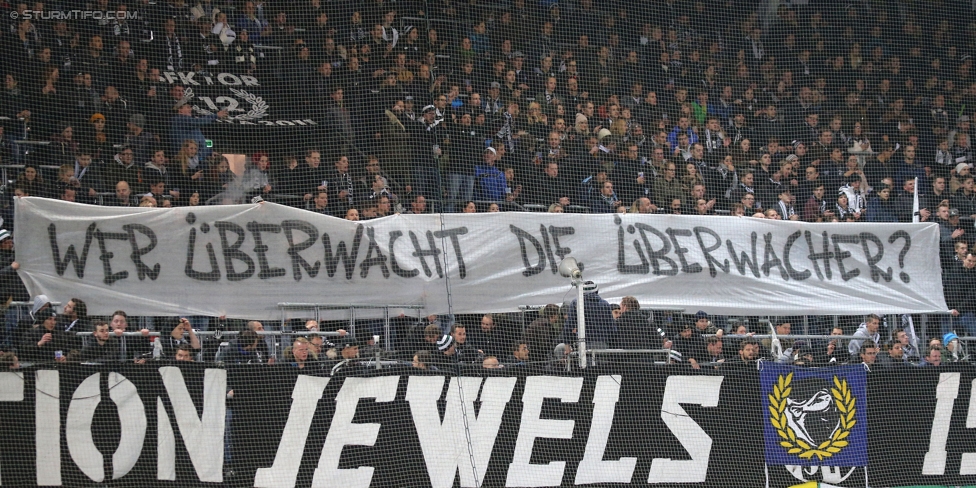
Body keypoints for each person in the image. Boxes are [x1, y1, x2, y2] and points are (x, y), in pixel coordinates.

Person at [563, 281, 616, 347]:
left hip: (583, 344)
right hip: (602, 344)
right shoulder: (605, 304)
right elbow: (611, 327)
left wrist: (567, 344)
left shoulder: (576, 303)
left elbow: (569, 325)